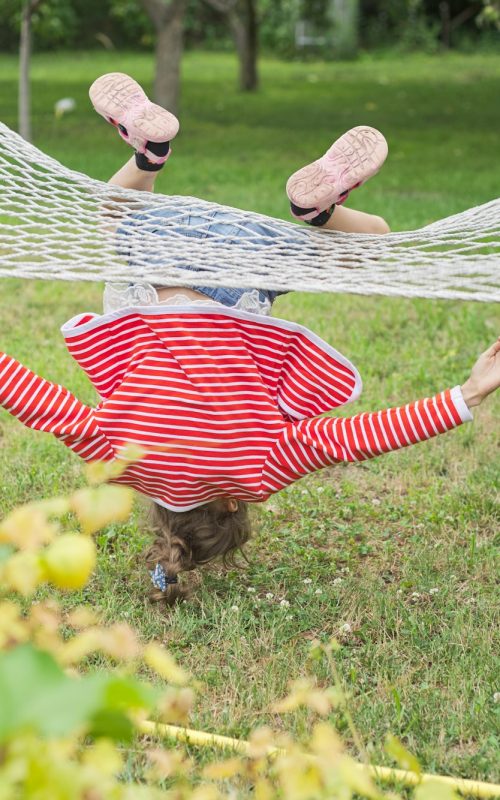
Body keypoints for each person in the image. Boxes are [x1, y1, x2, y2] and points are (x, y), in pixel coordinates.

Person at [1, 73, 498, 606]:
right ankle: (150, 155)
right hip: (157, 253)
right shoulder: (119, 460)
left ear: (233, 507)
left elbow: (360, 436)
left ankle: (318, 214)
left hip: (246, 269)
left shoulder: (256, 472)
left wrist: (466, 394)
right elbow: (40, 402)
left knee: (374, 243)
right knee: (112, 214)